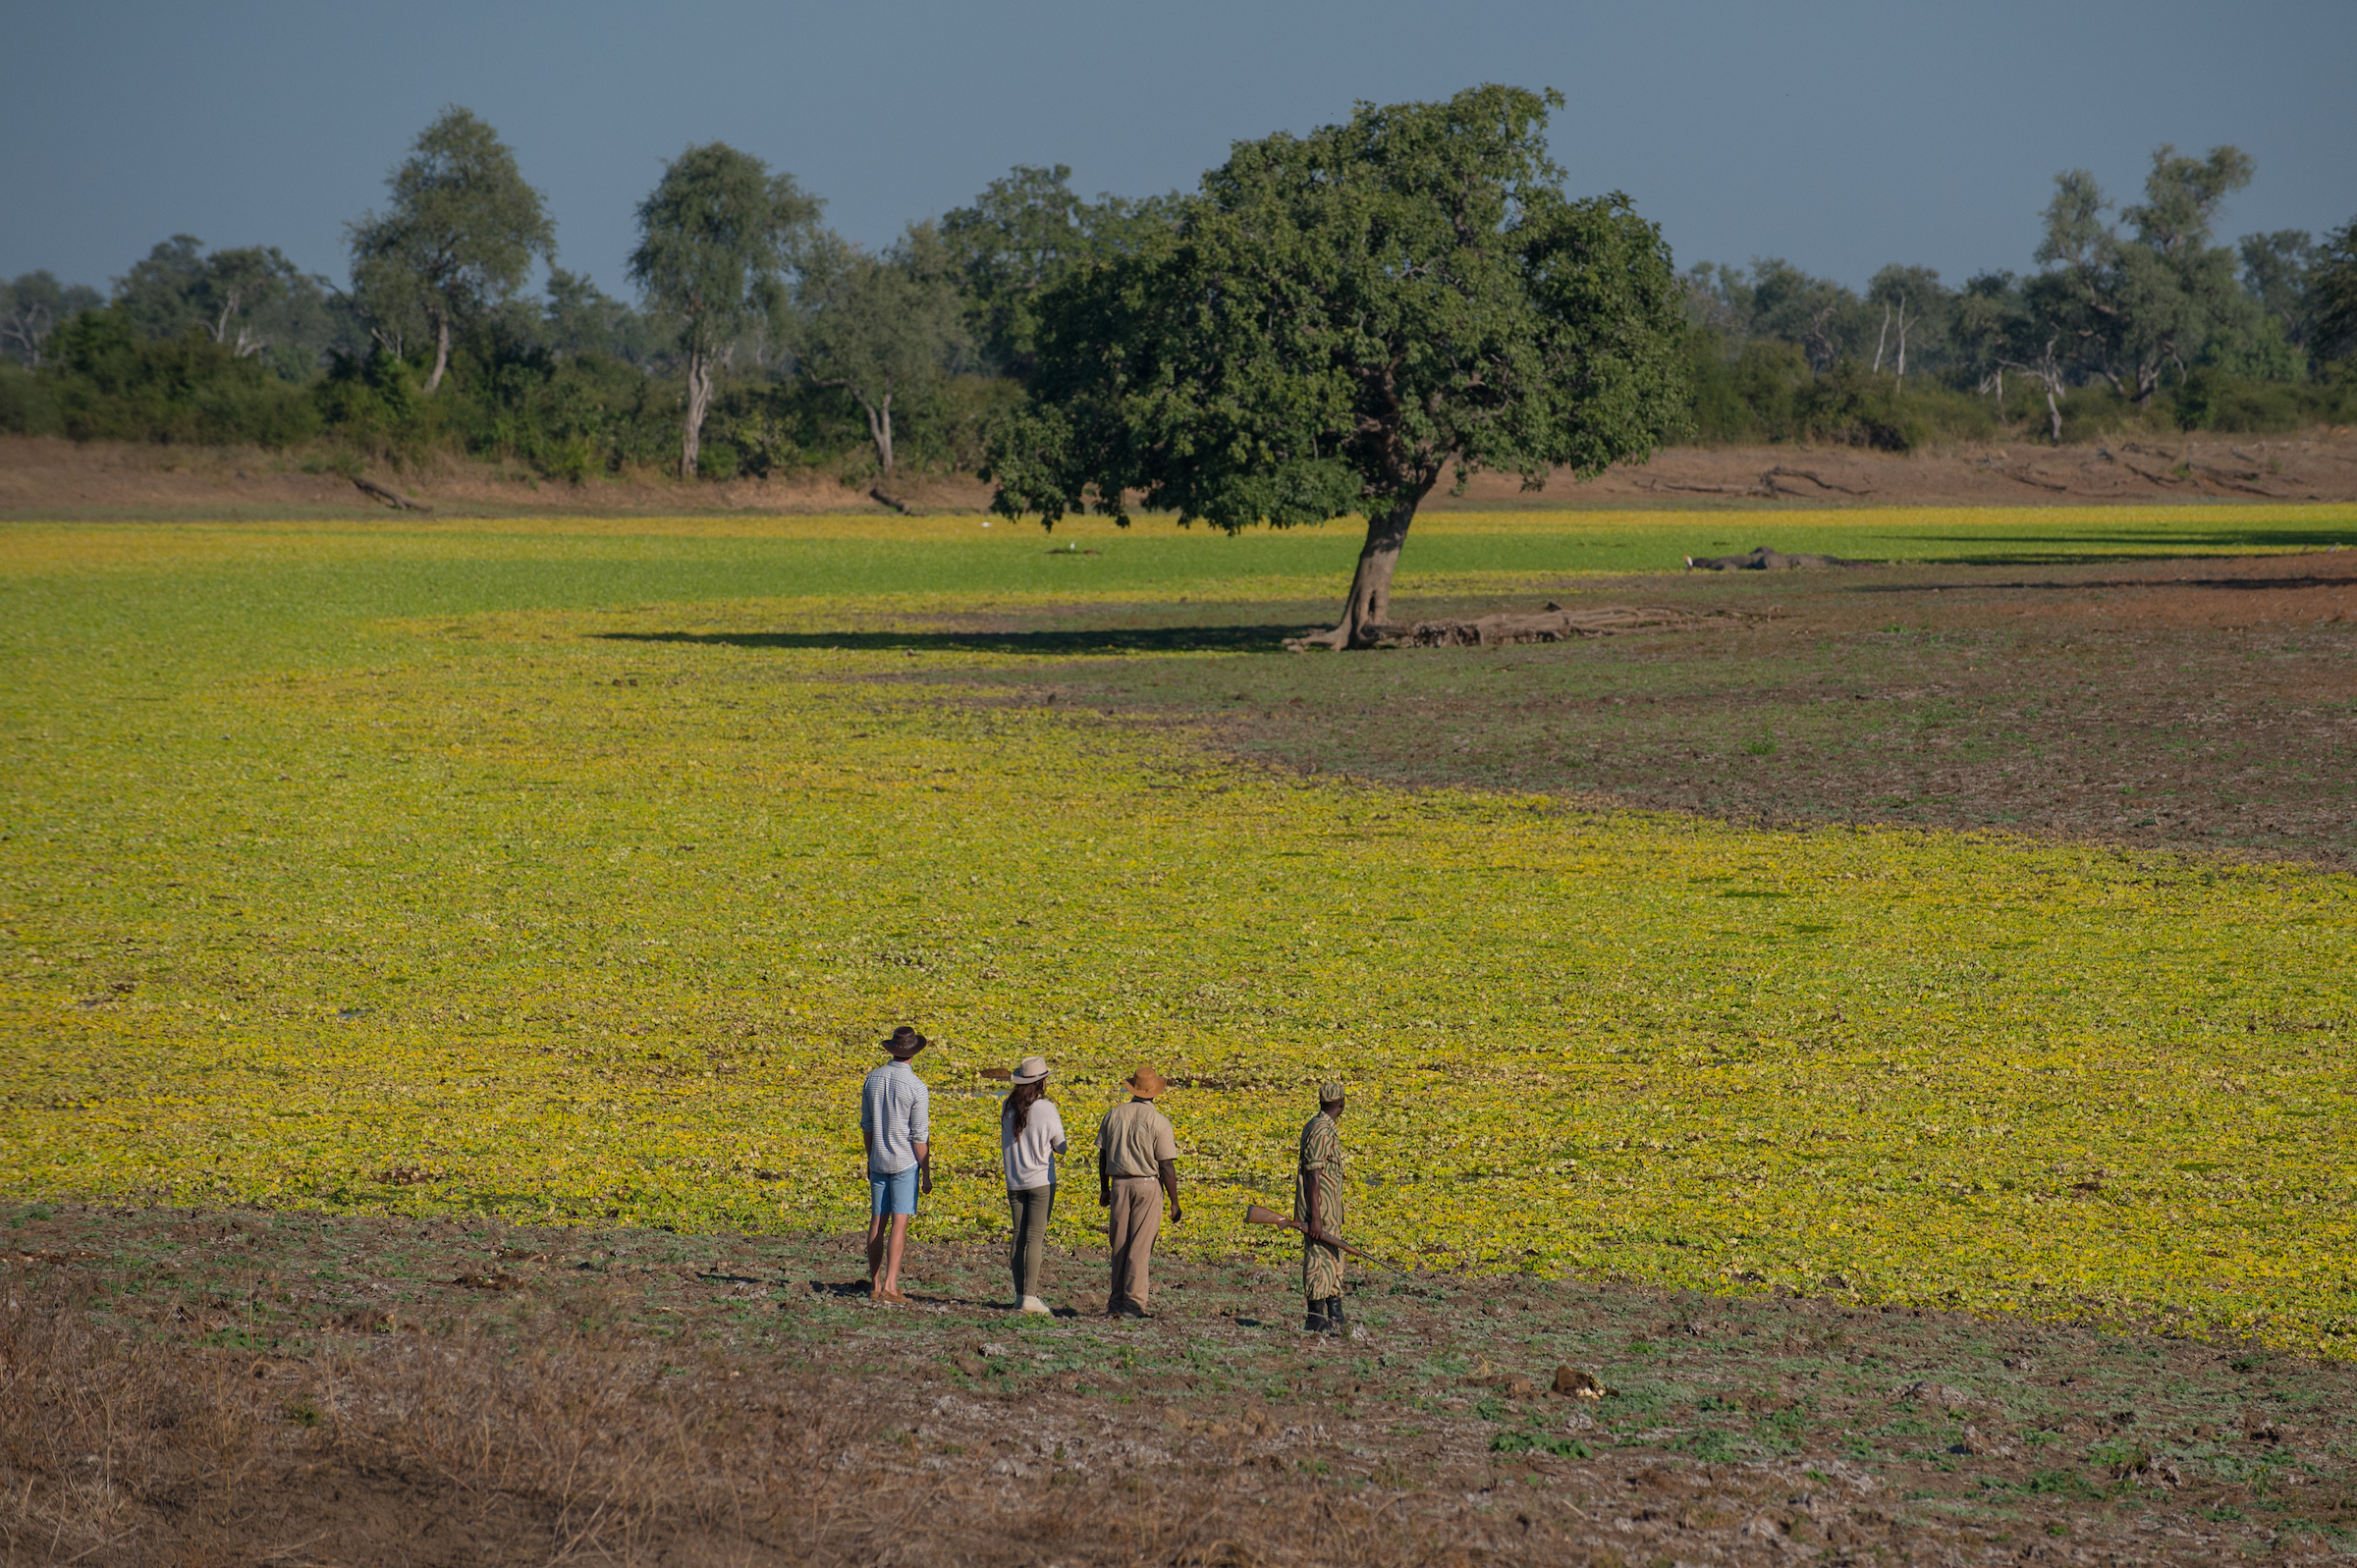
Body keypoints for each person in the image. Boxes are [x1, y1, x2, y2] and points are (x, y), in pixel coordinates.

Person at [1096, 1066, 1181, 1318]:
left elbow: (1102, 1155)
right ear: (1155, 1092)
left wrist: (1104, 1189)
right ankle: (1133, 1305)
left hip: (1119, 1185)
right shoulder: (1159, 1121)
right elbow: (1166, 1164)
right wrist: (1174, 1201)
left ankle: (1116, 1303)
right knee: (1140, 1248)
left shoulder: (1114, 1114)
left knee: (1119, 1245)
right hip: (1147, 1185)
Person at [859, 1025, 932, 1304]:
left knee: (877, 1220)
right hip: (904, 1162)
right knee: (899, 1223)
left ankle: (875, 1284)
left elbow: (867, 1126)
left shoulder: (872, 1078)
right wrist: (926, 1173)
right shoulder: (917, 1086)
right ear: (913, 1054)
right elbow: (919, 1136)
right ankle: (891, 1286)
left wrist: (870, 1157)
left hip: (878, 1157)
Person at [1000, 1054, 1067, 1315]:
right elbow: (1061, 1148)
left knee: (1018, 1235)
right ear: (1042, 1082)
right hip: (1040, 1182)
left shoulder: (1007, 1107)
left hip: (1015, 1181)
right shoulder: (1046, 1108)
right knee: (1035, 1238)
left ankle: (1019, 1295)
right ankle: (1030, 1296)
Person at [1296, 1082, 1348, 1335]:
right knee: (1318, 1261)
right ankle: (1316, 1319)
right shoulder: (1321, 1130)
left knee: (1333, 1260)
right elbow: (1313, 1175)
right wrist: (1315, 1217)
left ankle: (1335, 1316)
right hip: (1320, 1210)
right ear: (1341, 1103)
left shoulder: (1323, 1126)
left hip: (1329, 1210)